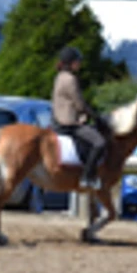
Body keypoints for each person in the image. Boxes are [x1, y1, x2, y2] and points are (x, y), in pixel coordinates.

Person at [51, 46, 106, 189]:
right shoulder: (70, 79)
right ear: (71, 63)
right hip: (68, 124)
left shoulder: (59, 76)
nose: (79, 64)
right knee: (100, 142)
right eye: (77, 61)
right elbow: (79, 104)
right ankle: (87, 177)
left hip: (57, 121)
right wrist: (94, 116)